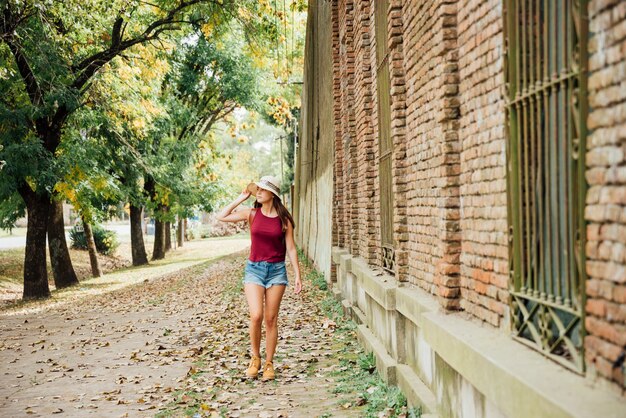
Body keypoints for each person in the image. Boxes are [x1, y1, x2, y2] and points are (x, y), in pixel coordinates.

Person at [216, 175, 302, 381]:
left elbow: (290, 247)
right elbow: (222, 216)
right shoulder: (251, 213)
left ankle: (269, 363)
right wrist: (240, 198)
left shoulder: (284, 220)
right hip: (254, 270)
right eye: (258, 190)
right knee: (256, 315)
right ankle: (255, 358)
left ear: (272, 194)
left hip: (277, 271)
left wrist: (297, 274)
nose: (259, 192)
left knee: (271, 319)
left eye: (263, 190)